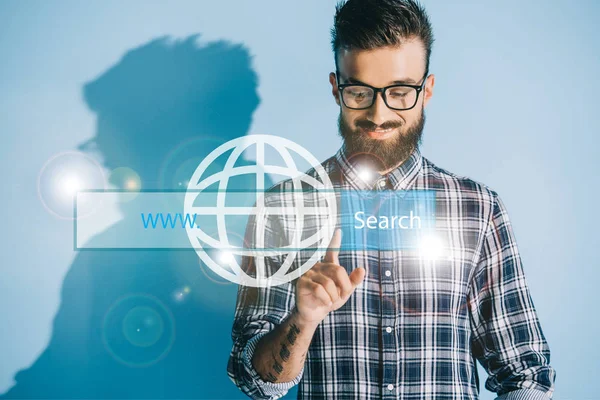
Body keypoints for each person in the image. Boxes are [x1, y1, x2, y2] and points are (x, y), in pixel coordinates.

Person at [227, 0, 555, 399]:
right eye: (360, 92)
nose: (378, 114)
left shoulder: (478, 210)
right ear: (336, 89)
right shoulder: (281, 210)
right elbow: (254, 380)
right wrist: (304, 317)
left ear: (427, 90)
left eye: (400, 92)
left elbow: (525, 375)